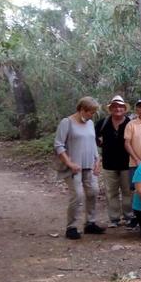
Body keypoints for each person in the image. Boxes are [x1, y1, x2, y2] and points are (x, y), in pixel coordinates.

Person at [54, 97, 105, 240]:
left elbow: (93, 143)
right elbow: (58, 145)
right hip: (74, 167)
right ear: (82, 109)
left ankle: (90, 223)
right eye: (91, 112)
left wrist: (97, 159)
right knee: (77, 195)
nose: (92, 115)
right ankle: (71, 227)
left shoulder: (90, 123)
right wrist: (69, 163)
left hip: (89, 165)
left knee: (93, 192)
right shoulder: (67, 122)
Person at [95, 95, 132, 227]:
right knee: (111, 192)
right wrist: (100, 144)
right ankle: (114, 219)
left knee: (128, 191)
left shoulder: (130, 122)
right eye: (114, 106)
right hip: (108, 163)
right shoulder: (103, 123)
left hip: (127, 163)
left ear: (124, 109)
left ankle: (129, 216)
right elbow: (93, 137)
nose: (117, 109)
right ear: (110, 109)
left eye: (120, 106)